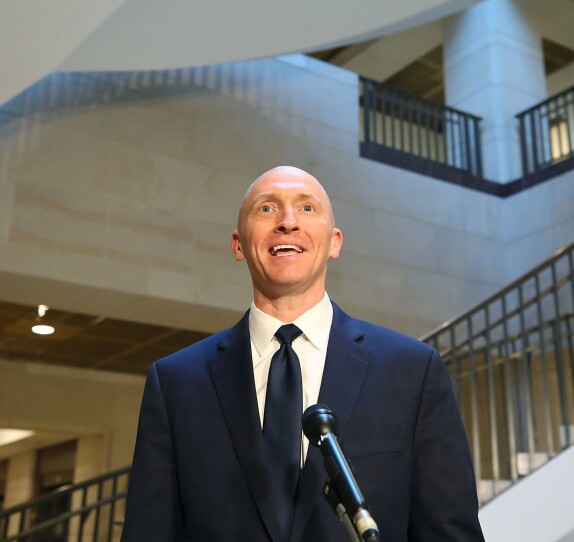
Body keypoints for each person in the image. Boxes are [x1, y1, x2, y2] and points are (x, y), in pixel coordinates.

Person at [122, 166, 484, 541]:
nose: (288, 222)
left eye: (307, 208)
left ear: (335, 242)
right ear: (238, 245)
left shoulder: (412, 372)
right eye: (266, 209)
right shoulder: (176, 382)